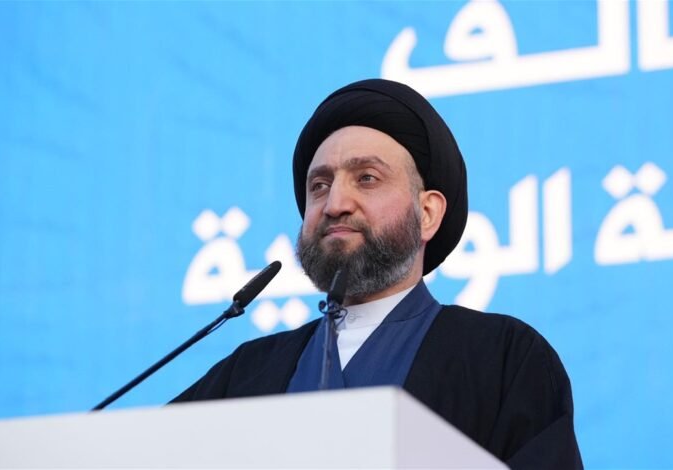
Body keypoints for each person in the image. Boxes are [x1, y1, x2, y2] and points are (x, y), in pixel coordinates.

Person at [172, 79, 583, 469]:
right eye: (319, 185)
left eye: (366, 178)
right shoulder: (246, 374)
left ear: (427, 213)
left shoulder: (502, 359)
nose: (335, 203)